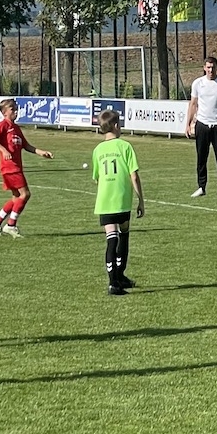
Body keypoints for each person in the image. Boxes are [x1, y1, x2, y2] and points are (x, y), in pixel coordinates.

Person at [91, 109, 145, 296]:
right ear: (115, 126)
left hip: (104, 201)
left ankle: (114, 282)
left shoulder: (97, 150)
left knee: (111, 239)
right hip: (121, 199)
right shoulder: (125, 146)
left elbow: (97, 177)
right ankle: (118, 277)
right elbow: (134, 176)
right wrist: (141, 200)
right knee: (124, 235)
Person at [0, 97, 53, 238]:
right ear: (4, 112)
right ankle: (11, 225)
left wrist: (41, 152)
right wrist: (4, 150)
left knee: (16, 198)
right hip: (10, 167)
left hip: (15, 167)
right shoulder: (3, 125)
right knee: (25, 194)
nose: (16, 112)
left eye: (16, 109)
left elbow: (26, 145)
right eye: (13, 109)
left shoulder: (16, 128)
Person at [185, 56, 217, 198]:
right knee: (201, 158)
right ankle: (201, 187)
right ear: (204, 68)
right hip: (202, 125)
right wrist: (188, 123)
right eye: (208, 67)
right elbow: (193, 104)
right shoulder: (198, 83)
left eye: (213, 67)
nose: (210, 70)